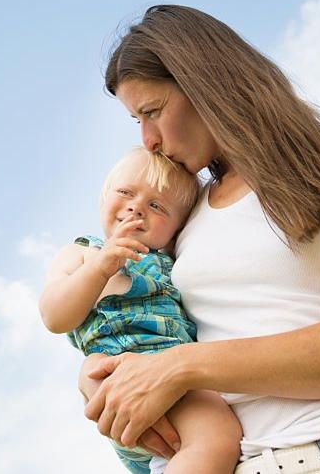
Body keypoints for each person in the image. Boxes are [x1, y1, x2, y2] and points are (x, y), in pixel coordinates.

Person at [80, 5, 320, 474]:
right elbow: (135, 315)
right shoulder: (179, 219)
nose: (147, 139)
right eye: (136, 122)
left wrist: (184, 365)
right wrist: (100, 374)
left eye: (152, 111)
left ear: (204, 82)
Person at [39, 147, 243, 474]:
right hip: (111, 373)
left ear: (176, 229)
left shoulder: (171, 262)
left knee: (203, 446)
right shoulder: (82, 253)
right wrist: (100, 267)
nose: (136, 207)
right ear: (104, 195)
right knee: (217, 436)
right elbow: (54, 316)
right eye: (125, 192)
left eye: (156, 206)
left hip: (172, 374)